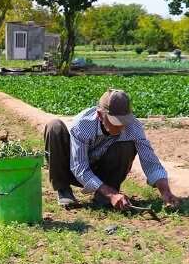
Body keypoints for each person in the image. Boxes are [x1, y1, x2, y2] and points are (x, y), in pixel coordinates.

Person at [44, 88, 180, 209]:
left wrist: (165, 191)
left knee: (126, 145)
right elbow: (79, 167)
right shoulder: (82, 125)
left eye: (124, 121)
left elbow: (150, 160)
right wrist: (111, 193)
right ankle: (63, 190)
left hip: (103, 170)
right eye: (115, 121)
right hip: (74, 169)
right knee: (54, 126)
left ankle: (106, 194)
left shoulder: (133, 126)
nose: (120, 126)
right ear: (99, 115)